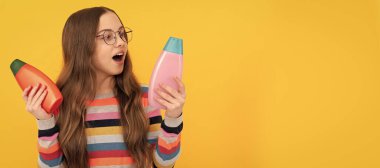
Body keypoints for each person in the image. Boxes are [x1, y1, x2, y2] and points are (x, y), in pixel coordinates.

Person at [22, 6, 185, 168]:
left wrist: (173, 117)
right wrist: (44, 122)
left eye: (122, 34)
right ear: (82, 46)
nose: (121, 42)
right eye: (108, 36)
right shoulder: (60, 103)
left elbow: (162, 164)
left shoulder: (143, 98)